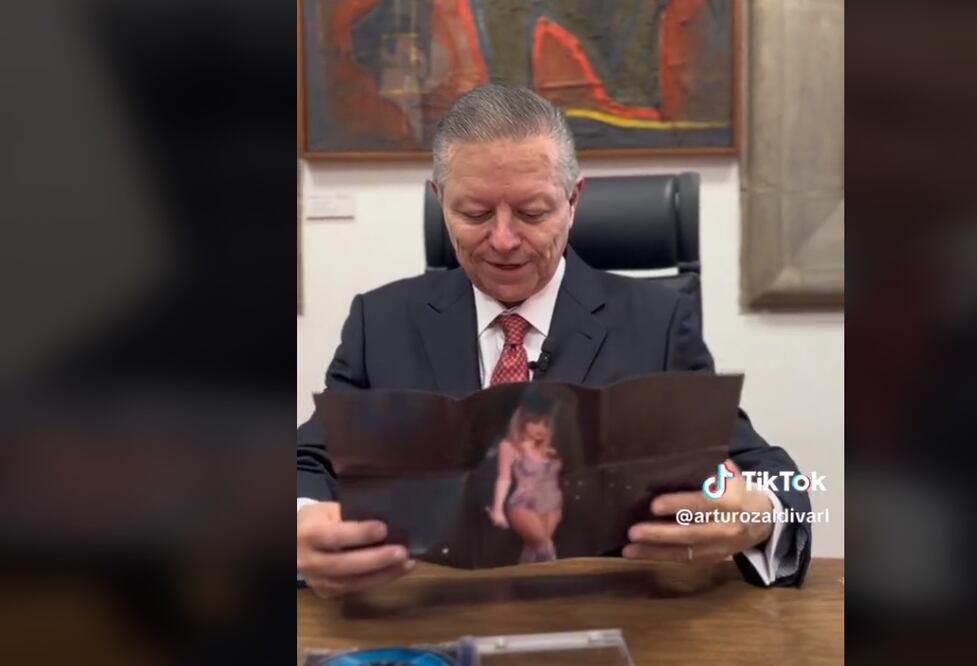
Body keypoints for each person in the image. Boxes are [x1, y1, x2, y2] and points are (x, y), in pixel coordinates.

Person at [296, 84, 812, 598]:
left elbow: (770, 474)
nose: (502, 239)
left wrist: (757, 515)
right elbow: (308, 460)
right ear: (439, 200)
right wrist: (300, 523)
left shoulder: (657, 324)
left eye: (533, 213)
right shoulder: (379, 323)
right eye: (474, 213)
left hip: (615, 616)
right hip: (427, 618)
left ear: (573, 200)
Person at [488, 389, 564, 564]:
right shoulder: (510, 447)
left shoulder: (548, 451)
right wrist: (498, 509)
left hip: (552, 506)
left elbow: (553, 481)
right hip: (524, 505)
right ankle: (549, 586)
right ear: (522, 421)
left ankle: (522, 588)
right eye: (535, 422)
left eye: (545, 424)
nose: (541, 428)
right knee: (546, 549)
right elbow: (503, 479)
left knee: (533, 551)